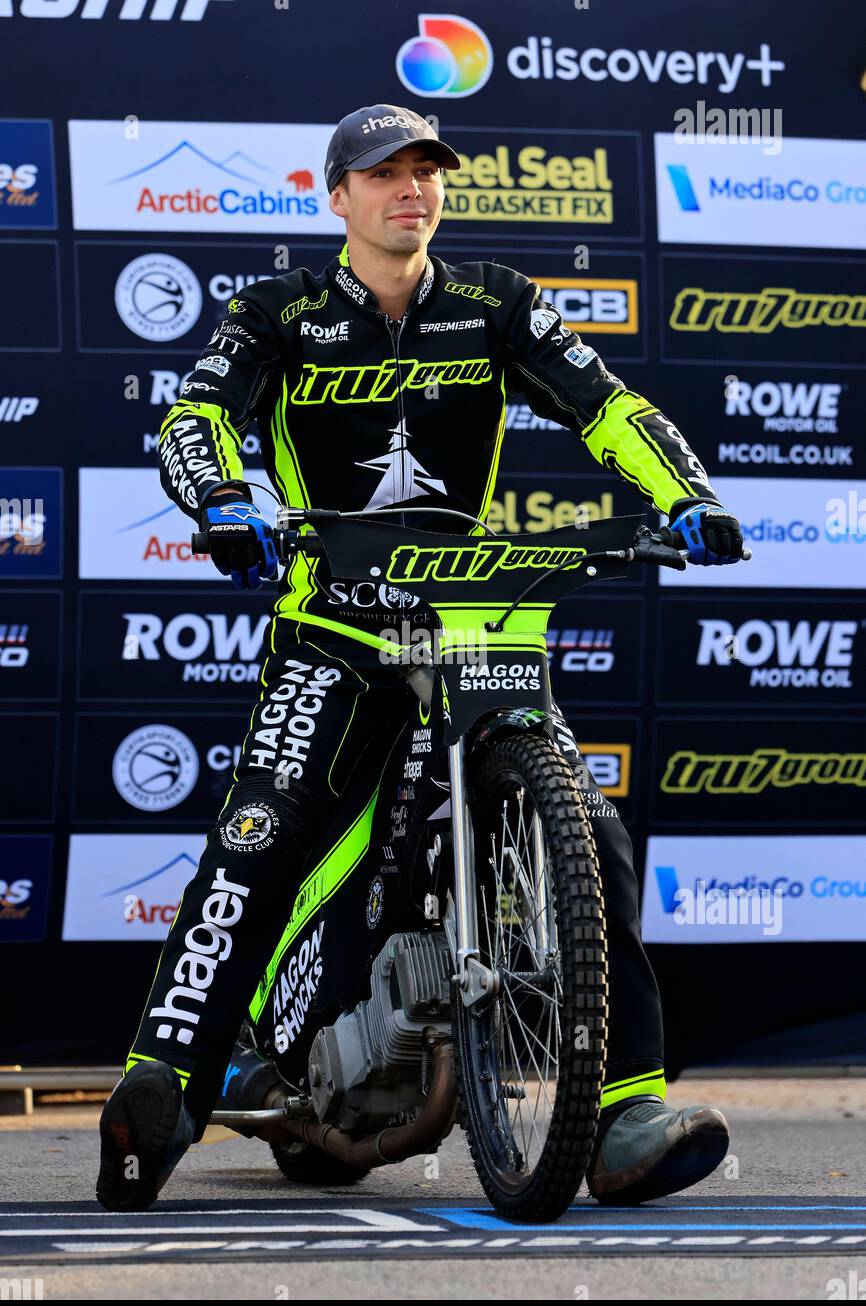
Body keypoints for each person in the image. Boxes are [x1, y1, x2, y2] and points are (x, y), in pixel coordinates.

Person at [97, 104, 745, 1212]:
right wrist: (220, 498)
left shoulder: (495, 300)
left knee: (588, 834)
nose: (410, 189)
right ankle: (165, 1084)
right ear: (335, 196)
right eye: (382, 174)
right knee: (260, 837)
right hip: (337, 627)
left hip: (479, 623)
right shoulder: (278, 311)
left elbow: (606, 406)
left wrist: (683, 494)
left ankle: (626, 1109)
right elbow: (198, 410)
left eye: (425, 171)